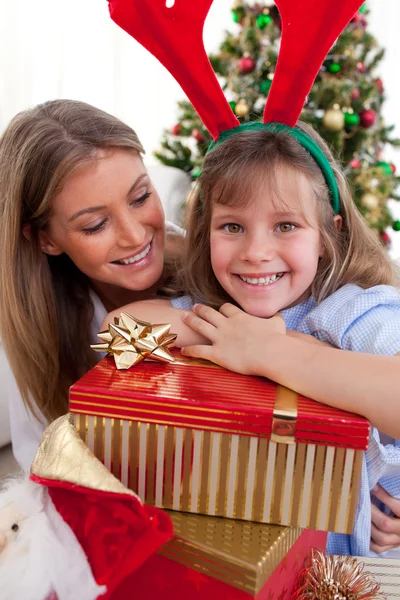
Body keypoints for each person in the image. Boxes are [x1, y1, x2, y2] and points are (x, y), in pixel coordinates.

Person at [102, 121, 400, 557]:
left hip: (333, 566)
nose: (255, 252)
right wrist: (235, 336)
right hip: (237, 549)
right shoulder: (221, 316)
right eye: (233, 227)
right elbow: (116, 329)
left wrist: (273, 352)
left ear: (327, 234)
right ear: (206, 235)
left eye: (285, 226)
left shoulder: (354, 313)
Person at [0, 99, 183, 471]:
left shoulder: (228, 269)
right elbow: (43, 465)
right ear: (45, 240)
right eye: (96, 225)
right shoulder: (40, 328)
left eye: (141, 197)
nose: (134, 236)